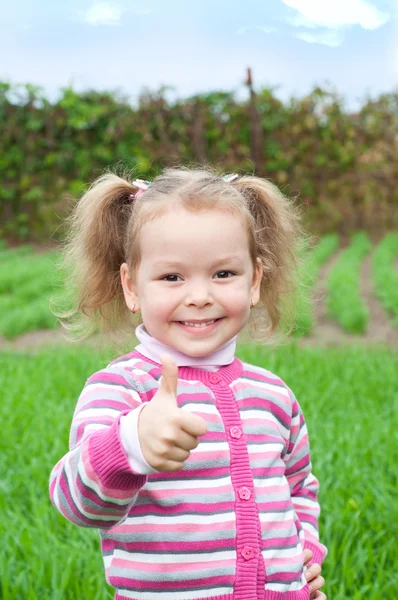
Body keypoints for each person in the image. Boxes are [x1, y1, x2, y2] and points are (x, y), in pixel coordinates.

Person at [49, 167, 327, 600]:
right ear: (131, 287)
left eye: (223, 274)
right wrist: (130, 444)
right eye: (172, 277)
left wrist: (304, 555)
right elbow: (77, 501)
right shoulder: (121, 389)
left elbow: (299, 486)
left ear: (254, 280)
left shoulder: (274, 395)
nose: (199, 295)